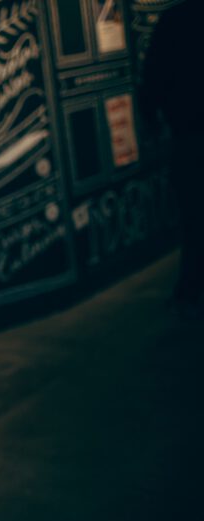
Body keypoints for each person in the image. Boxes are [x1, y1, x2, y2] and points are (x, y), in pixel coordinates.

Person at [139, 0, 204, 317]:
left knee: (193, 218)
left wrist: (152, 117)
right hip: (189, 133)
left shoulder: (174, 20)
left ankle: (190, 289)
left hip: (188, 136)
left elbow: (153, 73)